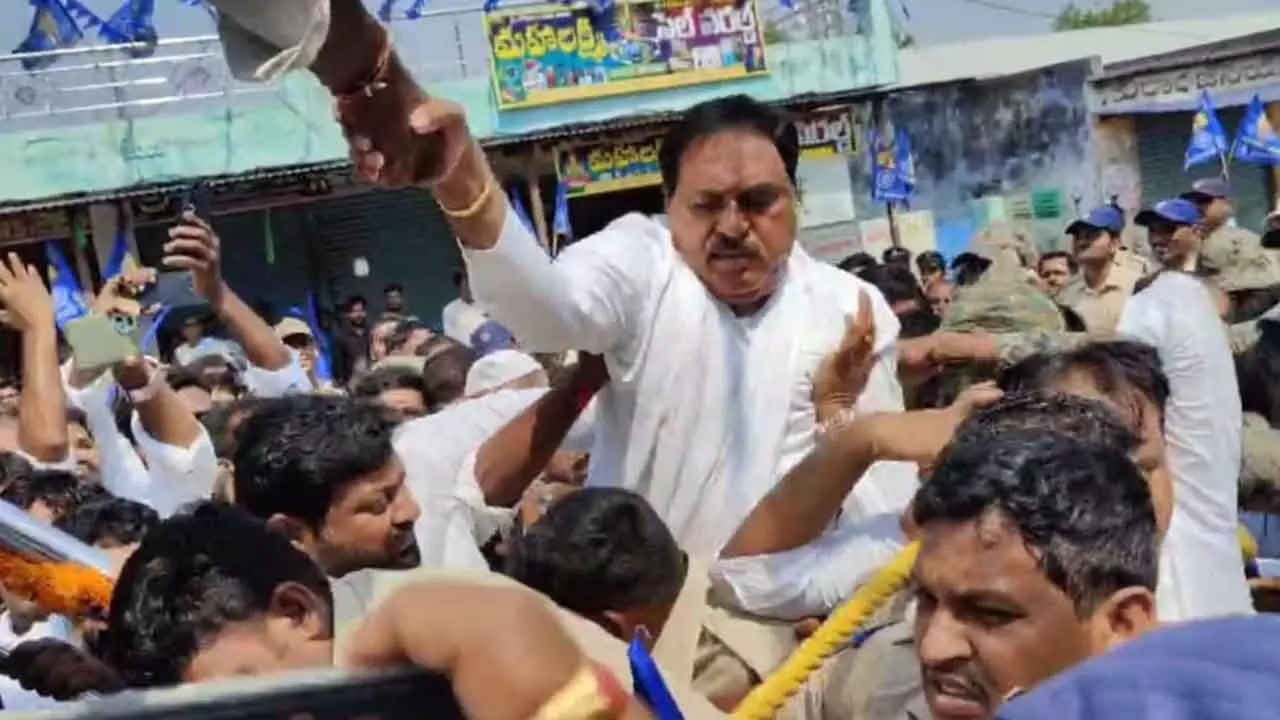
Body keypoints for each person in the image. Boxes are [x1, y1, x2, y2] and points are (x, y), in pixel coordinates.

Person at [1058, 205, 1141, 332]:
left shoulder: (1136, 287)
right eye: (1077, 236)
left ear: (1114, 243)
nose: (1081, 242)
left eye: (1091, 235)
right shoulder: (1067, 293)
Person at [1181, 177, 1264, 270]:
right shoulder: (1187, 237)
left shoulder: (1243, 240)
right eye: (1191, 201)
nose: (1196, 205)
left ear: (1228, 204)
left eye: (1203, 199)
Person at [442, 267, 490, 346]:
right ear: (459, 285)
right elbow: (451, 339)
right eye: (466, 284)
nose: (470, 288)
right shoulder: (450, 310)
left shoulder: (489, 305)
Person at [334, 295, 371, 384]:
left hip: (372, 380)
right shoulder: (342, 336)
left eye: (361, 311)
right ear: (348, 314)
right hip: (352, 382)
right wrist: (340, 380)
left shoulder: (372, 333)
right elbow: (338, 363)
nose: (358, 314)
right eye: (354, 312)